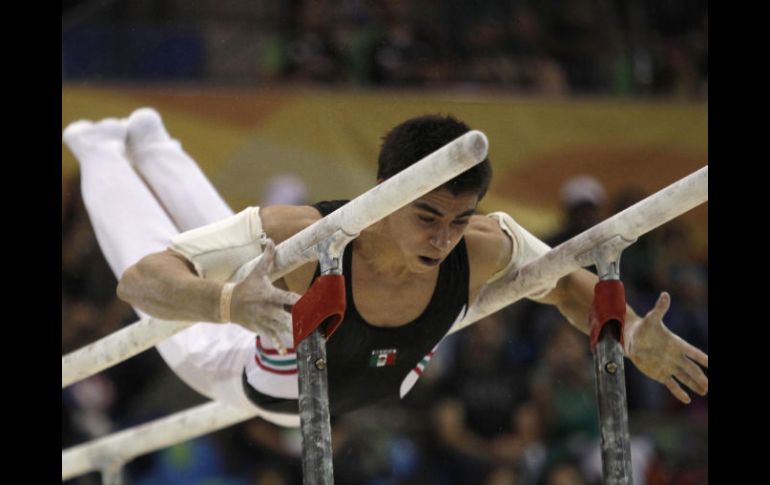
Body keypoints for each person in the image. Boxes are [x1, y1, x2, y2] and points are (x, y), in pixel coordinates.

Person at [62, 108, 708, 428]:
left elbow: (568, 287)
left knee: (243, 263)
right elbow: (140, 280)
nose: (443, 239)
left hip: (325, 354)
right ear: (384, 193)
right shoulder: (307, 237)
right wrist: (229, 306)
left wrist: (624, 329)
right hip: (247, 373)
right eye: (427, 216)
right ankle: (99, 148)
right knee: (192, 269)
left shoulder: (483, 245)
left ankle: (154, 142)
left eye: (459, 218)